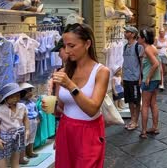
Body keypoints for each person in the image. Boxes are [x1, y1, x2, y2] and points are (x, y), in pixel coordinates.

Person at [44, 23, 110, 168]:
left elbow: (92, 109)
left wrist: (71, 86)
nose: (67, 51)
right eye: (65, 46)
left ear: (87, 44)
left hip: (89, 132)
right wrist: (50, 106)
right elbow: (60, 109)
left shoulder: (101, 72)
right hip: (66, 129)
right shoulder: (64, 70)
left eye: (72, 46)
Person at [0, 83, 29, 168]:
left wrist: (27, 130)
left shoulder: (22, 107)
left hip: (19, 134)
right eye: (12, 96)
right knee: (2, 156)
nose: (15, 98)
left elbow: (26, 118)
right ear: (6, 98)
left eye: (18, 95)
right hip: (5, 136)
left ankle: (16, 166)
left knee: (16, 152)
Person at [138, 28, 161, 139]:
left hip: (150, 80)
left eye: (139, 36)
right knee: (153, 104)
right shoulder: (153, 48)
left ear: (143, 38)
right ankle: (155, 127)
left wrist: (147, 78)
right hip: (155, 80)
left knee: (145, 106)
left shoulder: (147, 49)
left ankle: (144, 131)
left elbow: (155, 64)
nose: (137, 38)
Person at [122, 26, 144, 130]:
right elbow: (124, 62)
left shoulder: (138, 46)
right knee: (130, 100)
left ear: (133, 34)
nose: (125, 33)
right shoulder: (125, 46)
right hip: (126, 78)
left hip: (135, 78)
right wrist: (122, 76)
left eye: (127, 32)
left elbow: (141, 63)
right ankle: (132, 120)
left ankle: (135, 121)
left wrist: (140, 77)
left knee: (136, 100)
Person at [18, 83, 40, 164]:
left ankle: (30, 151)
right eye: (27, 91)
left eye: (30, 91)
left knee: (32, 137)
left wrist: (37, 118)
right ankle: (22, 156)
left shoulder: (32, 101)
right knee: (24, 139)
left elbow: (35, 110)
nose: (30, 93)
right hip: (26, 122)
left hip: (33, 121)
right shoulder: (20, 104)